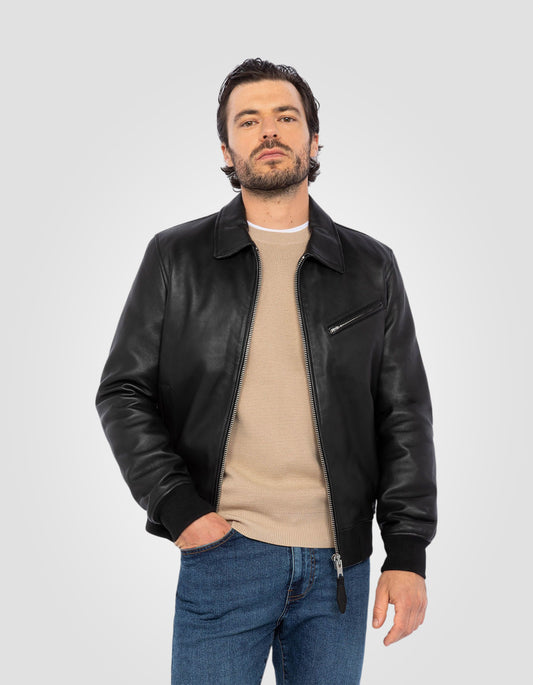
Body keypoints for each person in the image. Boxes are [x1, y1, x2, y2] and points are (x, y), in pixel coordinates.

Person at [95, 57, 437, 684]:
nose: (269, 131)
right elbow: (123, 391)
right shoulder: (176, 257)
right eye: (248, 121)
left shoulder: (371, 266)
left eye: (286, 116)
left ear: (314, 140)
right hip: (224, 552)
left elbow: (403, 413)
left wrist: (408, 551)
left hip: (340, 564)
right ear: (227, 150)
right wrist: (180, 509)